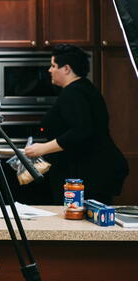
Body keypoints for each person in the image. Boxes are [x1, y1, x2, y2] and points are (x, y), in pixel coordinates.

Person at [25, 44, 129, 205]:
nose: (49, 70)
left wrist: (43, 148)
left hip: (89, 171)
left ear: (66, 69)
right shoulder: (85, 88)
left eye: (53, 66)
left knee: (83, 222)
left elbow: (81, 131)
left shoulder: (73, 92)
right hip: (95, 169)